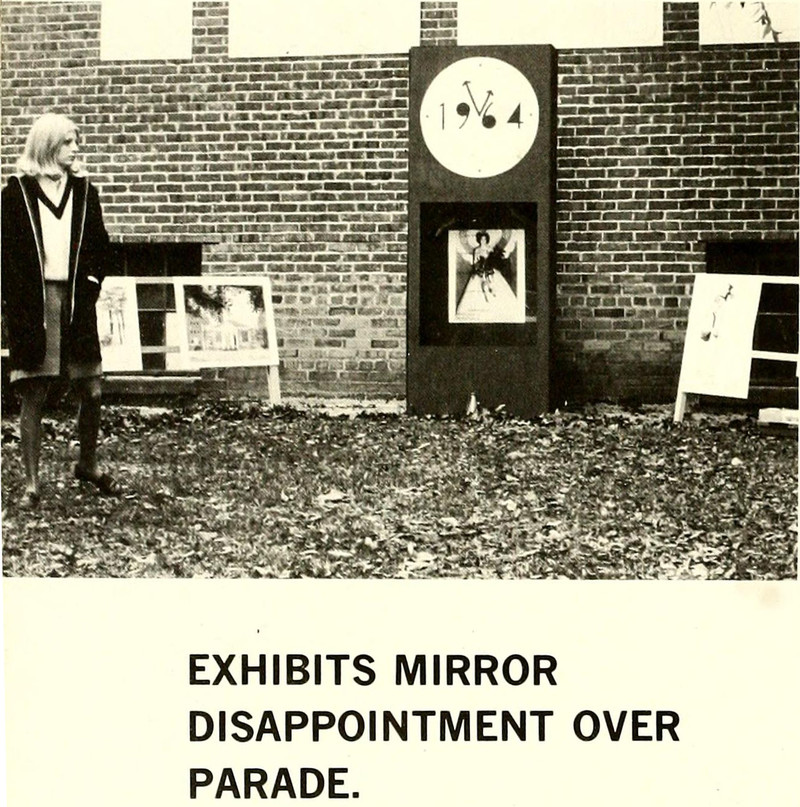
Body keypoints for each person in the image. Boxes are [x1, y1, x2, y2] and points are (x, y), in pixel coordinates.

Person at [1, 112, 119, 508]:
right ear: (48, 144)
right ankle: (32, 484)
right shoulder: (15, 194)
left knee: (92, 388)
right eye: (68, 141)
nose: (75, 148)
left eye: (76, 141)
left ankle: (87, 463)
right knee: (34, 390)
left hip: (76, 301)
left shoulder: (84, 192)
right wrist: (14, 303)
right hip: (35, 302)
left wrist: (91, 283)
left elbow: (100, 246)